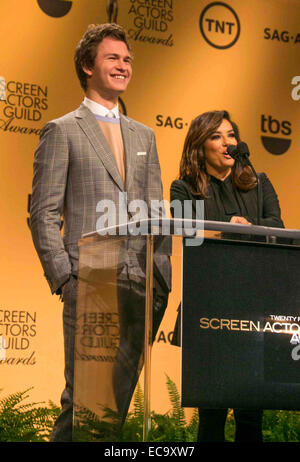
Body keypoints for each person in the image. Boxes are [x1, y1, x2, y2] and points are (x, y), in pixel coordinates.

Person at [30, 23, 170, 442]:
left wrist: (161, 279)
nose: (123, 65)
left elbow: (156, 214)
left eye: (127, 59)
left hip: (140, 288)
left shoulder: (144, 135)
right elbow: (42, 212)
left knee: (115, 412)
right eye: (113, 57)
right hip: (88, 282)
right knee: (84, 406)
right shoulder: (63, 130)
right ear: (87, 66)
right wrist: (66, 279)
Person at [170, 110, 284, 442]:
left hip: (253, 308)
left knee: (251, 413)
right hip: (210, 308)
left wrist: (252, 229)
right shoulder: (185, 188)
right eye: (217, 136)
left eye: (231, 135)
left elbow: (278, 227)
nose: (227, 143)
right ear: (199, 146)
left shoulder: (259, 183)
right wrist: (225, 228)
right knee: (212, 412)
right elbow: (186, 232)